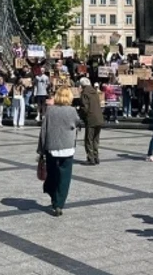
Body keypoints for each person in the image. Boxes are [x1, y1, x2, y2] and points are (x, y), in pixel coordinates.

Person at [37, 88, 80, 217]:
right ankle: (59, 203)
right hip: (67, 147)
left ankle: (53, 197)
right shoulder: (72, 111)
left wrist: (41, 149)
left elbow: (43, 130)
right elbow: (77, 122)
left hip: (52, 147)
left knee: (53, 174)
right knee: (64, 178)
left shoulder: (50, 111)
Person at [79, 78, 103, 165]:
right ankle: (96, 157)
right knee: (96, 139)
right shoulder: (95, 92)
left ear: (82, 85)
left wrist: (81, 115)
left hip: (91, 118)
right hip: (99, 118)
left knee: (89, 140)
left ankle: (90, 158)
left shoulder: (85, 93)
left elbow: (85, 108)